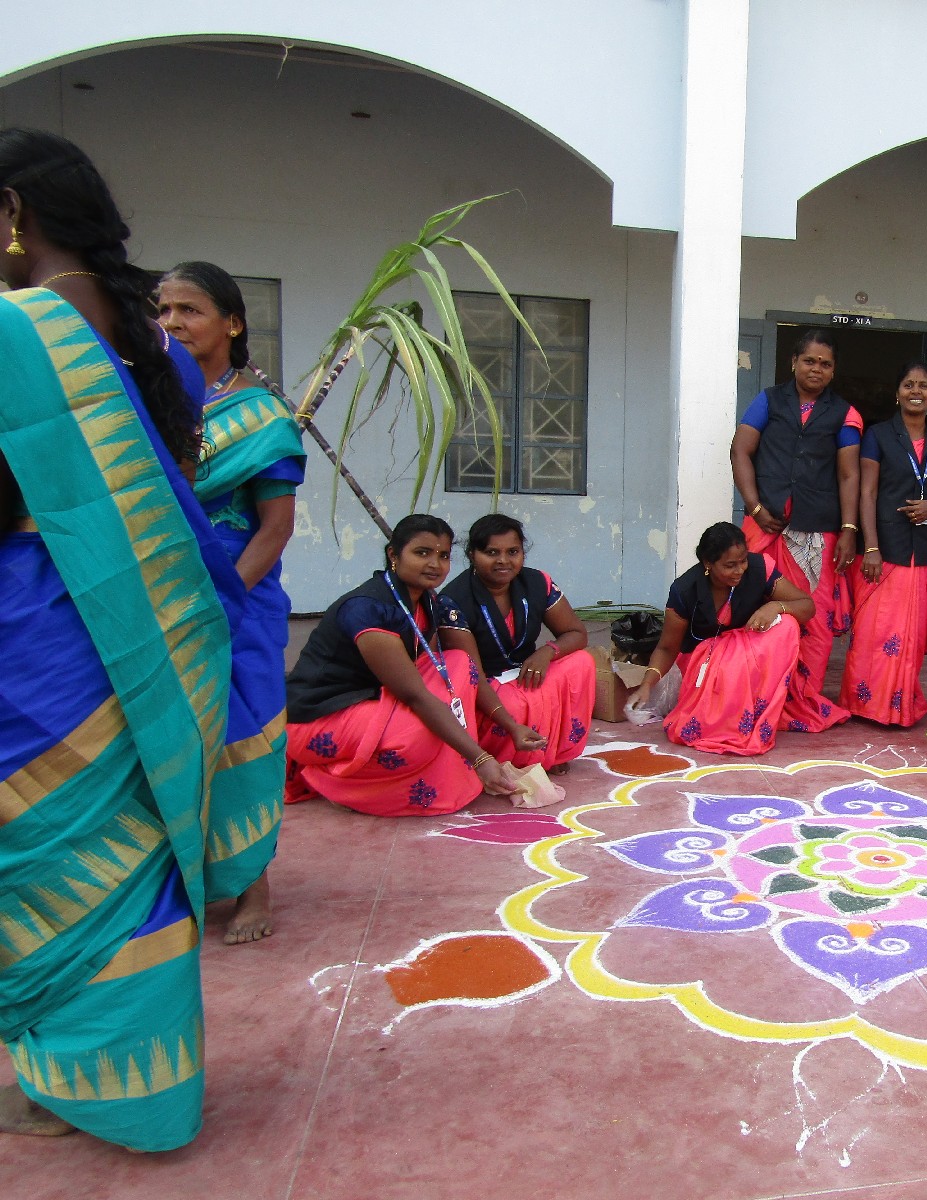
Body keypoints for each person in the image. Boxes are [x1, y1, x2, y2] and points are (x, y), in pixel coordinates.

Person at [0, 127, 243, 1150]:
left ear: (14, 214)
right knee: (131, 840)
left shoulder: (17, 331)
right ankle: (140, 1082)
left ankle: (55, 1081)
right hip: (142, 621)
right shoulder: (151, 341)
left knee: (42, 844)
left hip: (36, 622)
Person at [156, 261, 304, 946]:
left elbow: (275, 528)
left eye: (189, 310)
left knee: (242, 739)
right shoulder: (155, 402)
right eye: (163, 310)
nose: (173, 323)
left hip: (237, 599)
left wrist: (220, 601)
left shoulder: (262, 416)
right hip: (162, 595)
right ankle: (183, 877)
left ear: (233, 324)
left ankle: (253, 883)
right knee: (172, 741)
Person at [284, 515, 539, 816]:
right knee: (421, 734)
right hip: (321, 716)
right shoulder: (368, 609)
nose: (435, 564)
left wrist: (511, 726)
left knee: (458, 663)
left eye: (443, 555)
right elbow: (414, 695)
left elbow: (462, 673)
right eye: (422, 553)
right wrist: (480, 759)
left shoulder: (429, 602)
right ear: (394, 555)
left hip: (374, 702)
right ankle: (332, 781)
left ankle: (436, 773)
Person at [730, 329, 859, 732]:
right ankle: (752, 692)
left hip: (815, 531)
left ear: (833, 370)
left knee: (813, 616)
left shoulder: (845, 413)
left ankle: (800, 697)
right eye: (809, 361)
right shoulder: (768, 400)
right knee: (749, 605)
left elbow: (849, 474)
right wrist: (755, 506)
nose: (816, 369)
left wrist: (849, 528)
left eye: (825, 363)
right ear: (794, 362)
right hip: (763, 525)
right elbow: (740, 450)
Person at [630, 522, 816, 755]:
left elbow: (806, 605)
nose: (740, 570)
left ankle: (756, 708)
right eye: (730, 565)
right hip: (705, 662)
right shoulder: (685, 590)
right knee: (732, 667)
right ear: (708, 563)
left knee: (786, 624)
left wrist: (775, 607)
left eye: (743, 561)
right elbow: (667, 648)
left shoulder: (759, 569)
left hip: (749, 650)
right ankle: (730, 718)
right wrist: (647, 685)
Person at [841, 362, 927, 726]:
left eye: (923, 385)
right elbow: (868, 492)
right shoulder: (877, 435)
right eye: (908, 384)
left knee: (910, 636)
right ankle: (865, 703)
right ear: (897, 393)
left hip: (926, 551)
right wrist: (871, 547)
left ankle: (900, 705)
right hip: (885, 548)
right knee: (874, 631)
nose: (915, 391)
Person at [442, 513, 593, 773]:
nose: (503, 561)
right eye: (492, 552)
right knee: (514, 705)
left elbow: (576, 633)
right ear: (472, 555)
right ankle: (511, 760)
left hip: (526, 671)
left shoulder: (537, 583)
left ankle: (551, 753)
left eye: (512, 552)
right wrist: (510, 724)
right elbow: (471, 675)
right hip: (486, 686)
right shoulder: (454, 601)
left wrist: (547, 652)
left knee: (581, 662)